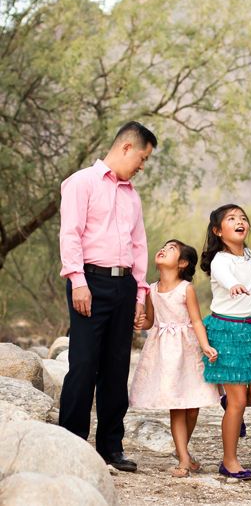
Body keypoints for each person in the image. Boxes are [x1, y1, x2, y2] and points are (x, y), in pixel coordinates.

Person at [59, 121, 157, 472]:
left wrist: (140, 294)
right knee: (83, 365)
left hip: (124, 285)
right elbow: (70, 234)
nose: (142, 166)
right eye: (143, 158)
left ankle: (110, 448)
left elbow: (139, 244)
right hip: (90, 282)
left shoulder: (132, 194)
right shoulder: (80, 183)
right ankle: (70, 443)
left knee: (116, 370)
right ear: (127, 147)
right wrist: (77, 279)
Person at [130, 239, 220, 477]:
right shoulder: (151, 289)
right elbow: (151, 320)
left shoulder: (185, 289)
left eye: (171, 249)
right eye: (163, 247)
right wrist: (142, 322)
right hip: (163, 353)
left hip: (187, 350)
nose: (163, 249)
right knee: (176, 407)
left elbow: (197, 321)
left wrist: (206, 346)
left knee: (192, 407)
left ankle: (184, 452)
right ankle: (183, 458)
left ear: (182, 263)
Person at [200, 204, 251, 480]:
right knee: (238, 402)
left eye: (243, 217)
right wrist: (233, 285)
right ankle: (229, 461)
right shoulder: (221, 259)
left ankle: (231, 403)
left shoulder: (247, 255)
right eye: (231, 219)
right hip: (227, 333)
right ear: (218, 231)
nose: (239, 221)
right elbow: (225, 276)